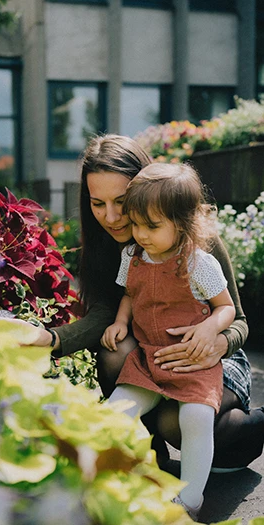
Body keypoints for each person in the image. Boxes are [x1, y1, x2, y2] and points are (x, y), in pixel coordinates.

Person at [31, 133, 264, 472]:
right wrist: (51, 338)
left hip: (211, 359)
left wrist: (217, 341)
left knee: (179, 421)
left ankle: (252, 427)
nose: (111, 217)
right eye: (98, 203)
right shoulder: (107, 247)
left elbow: (238, 319)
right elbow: (107, 314)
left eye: (122, 202)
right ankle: (146, 451)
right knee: (114, 351)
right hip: (152, 357)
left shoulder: (197, 241)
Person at [100, 163, 236, 519]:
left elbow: (226, 308)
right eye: (137, 224)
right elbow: (131, 294)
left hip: (192, 365)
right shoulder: (132, 257)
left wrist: (210, 330)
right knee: (114, 413)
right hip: (148, 361)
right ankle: (120, 482)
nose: (141, 234)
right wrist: (120, 321)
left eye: (152, 226)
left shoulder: (198, 263)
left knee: (195, 418)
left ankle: (189, 499)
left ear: (184, 222)